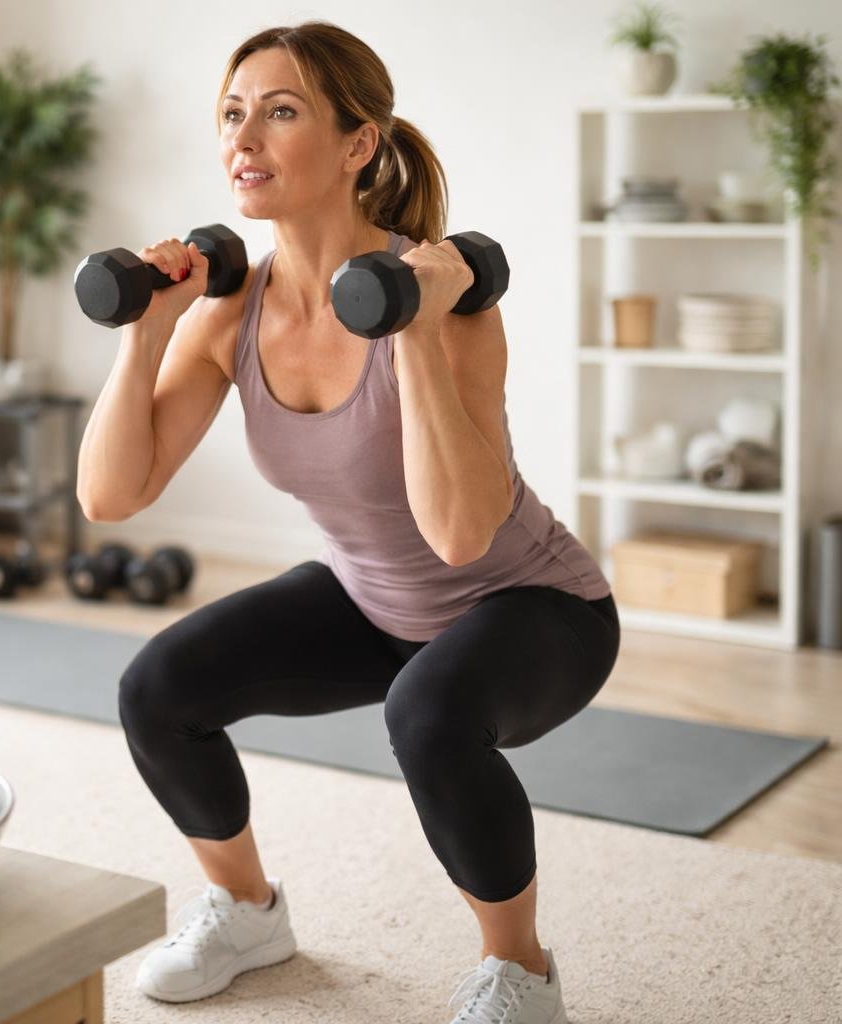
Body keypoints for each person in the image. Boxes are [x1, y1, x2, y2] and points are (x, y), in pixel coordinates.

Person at [75, 20, 618, 1024]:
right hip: (374, 599)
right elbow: (112, 495)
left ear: (359, 144)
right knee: (158, 687)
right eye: (234, 114)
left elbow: (460, 534)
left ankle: (521, 972)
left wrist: (406, 325)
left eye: (282, 114)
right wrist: (146, 335)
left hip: (534, 604)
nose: (247, 140)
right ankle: (246, 910)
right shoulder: (232, 311)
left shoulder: (443, 297)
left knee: (428, 712)